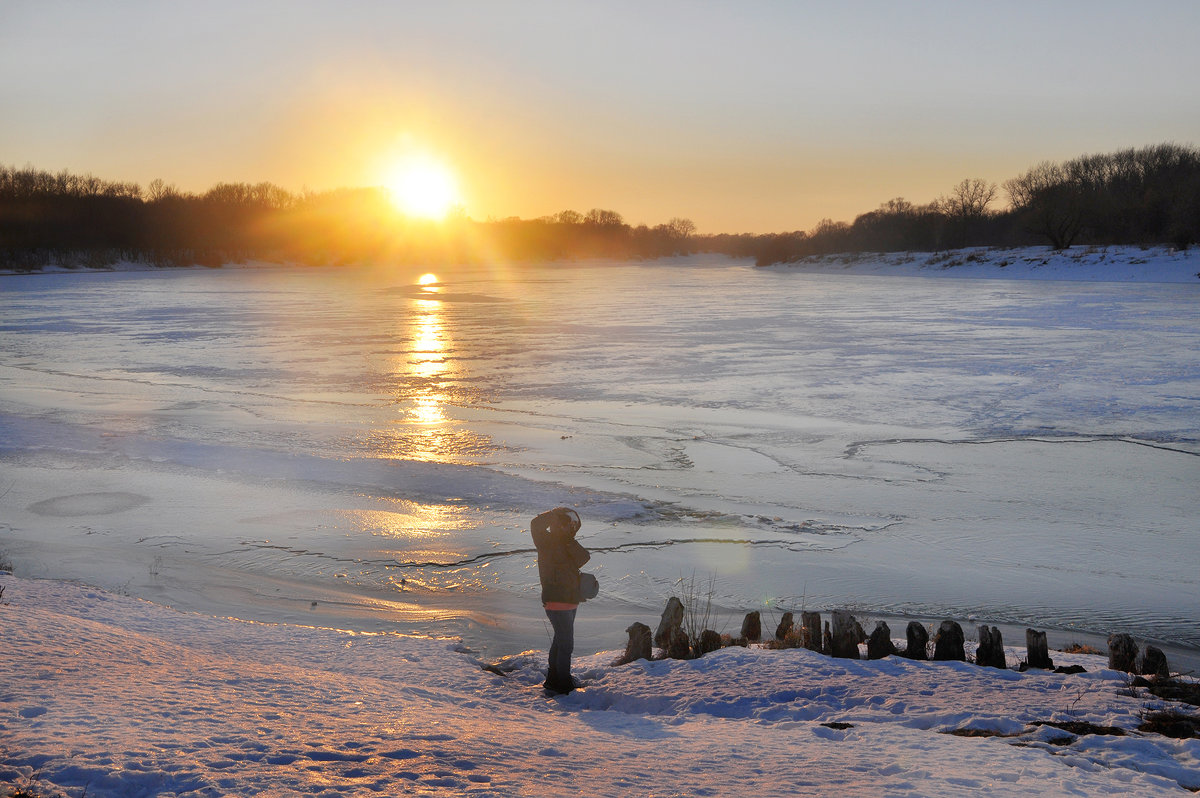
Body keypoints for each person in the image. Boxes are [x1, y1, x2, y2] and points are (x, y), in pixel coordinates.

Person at [531, 506, 589, 694]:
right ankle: (562, 683)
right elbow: (535, 524)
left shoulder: (569, 544)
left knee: (559, 641)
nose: (568, 528)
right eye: (565, 525)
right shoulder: (545, 542)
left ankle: (554, 678)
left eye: (570, 526)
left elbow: (584, 558)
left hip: (571, 600)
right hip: (556, 599)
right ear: (556, 525)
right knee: (566, 644)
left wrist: (569, 535)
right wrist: (554, 514)